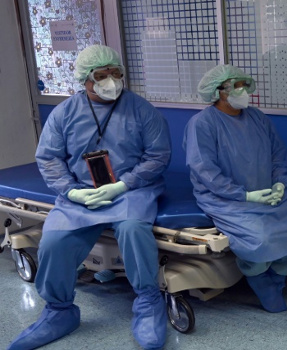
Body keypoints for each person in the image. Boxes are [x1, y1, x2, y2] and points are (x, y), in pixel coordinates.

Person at [7, 45, 172, 350]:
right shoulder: (65, 113)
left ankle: (148, 302)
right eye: (101, 74)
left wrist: (123, 185)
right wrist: (71, 191)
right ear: (84, 80)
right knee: (54, 241)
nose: (111, 80)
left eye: (116, 73)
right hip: (79, 193)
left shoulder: (141, 109)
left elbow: (158, 155)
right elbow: (49, 158)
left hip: (131, 190)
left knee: (134, 230)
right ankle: (59, 311)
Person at [183, 65, 287, 313]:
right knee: (260, 239)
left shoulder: (256, 117)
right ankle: (260, 280)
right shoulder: (202, 123)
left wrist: (279, 183)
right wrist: (243, 195)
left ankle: (277, 279)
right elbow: (205, 170)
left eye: (244, 85)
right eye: (237, 86)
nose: (244, 91)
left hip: (266, 193)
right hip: (225, 199)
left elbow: (278, 153)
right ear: (219, 91)